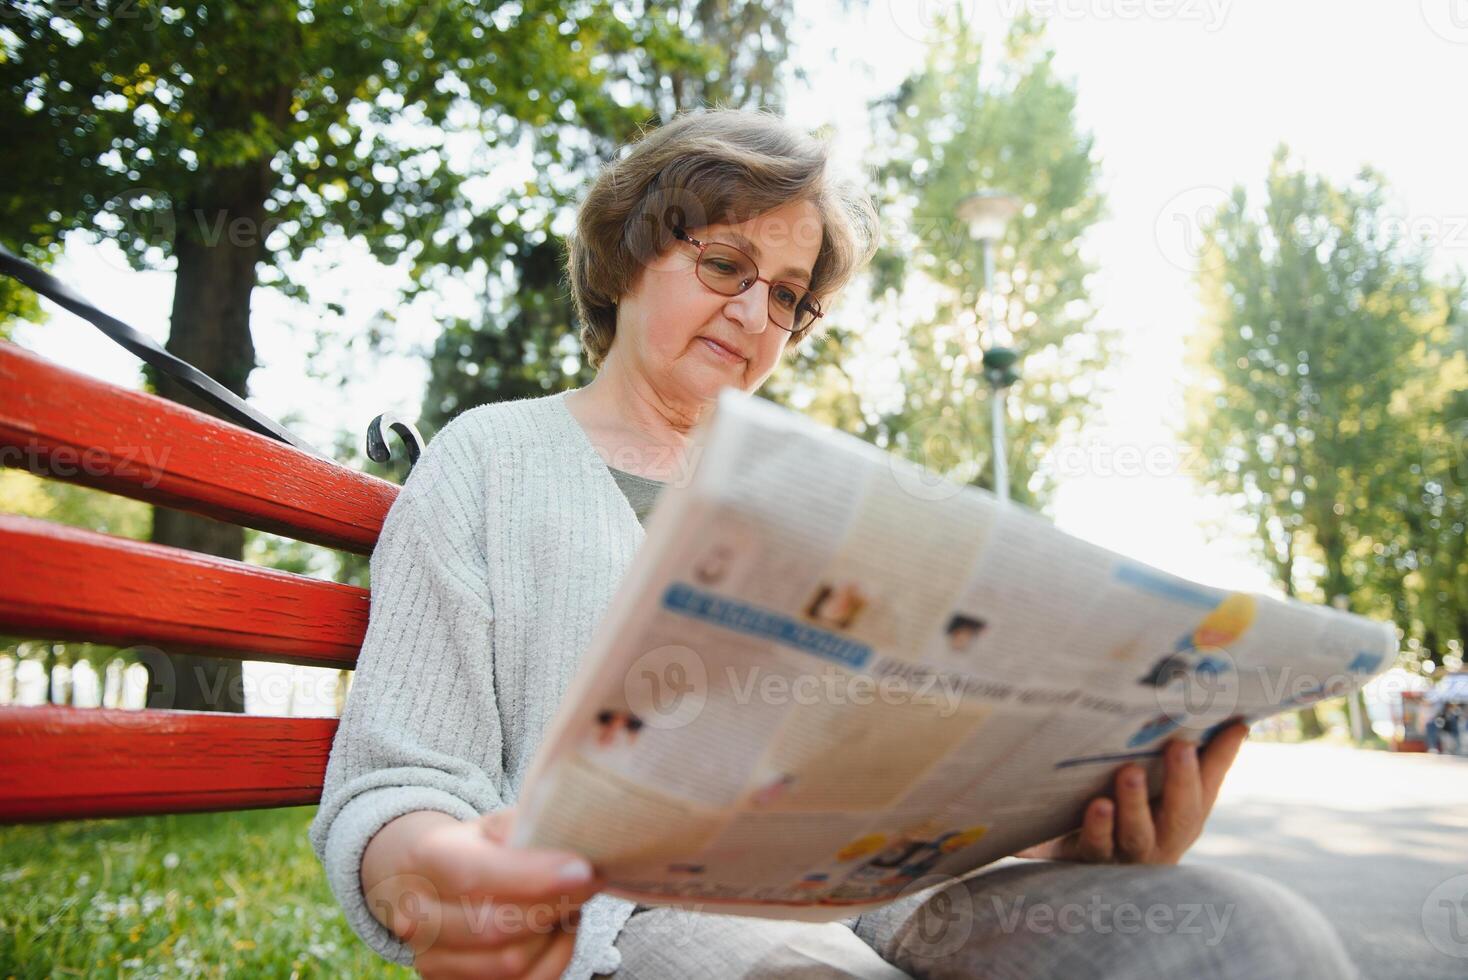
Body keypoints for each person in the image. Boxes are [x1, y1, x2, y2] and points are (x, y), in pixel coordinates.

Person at [310, 108, 1359, 979]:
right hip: (637, 923)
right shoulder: (492, 457)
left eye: (788, 298)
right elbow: (396, 779)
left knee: (1258, 935)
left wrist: (1065, 835)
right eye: (725, 262)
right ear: (629, 255)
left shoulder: (819, 499)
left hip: (900, 901)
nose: (756, 312)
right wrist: (444, 880)